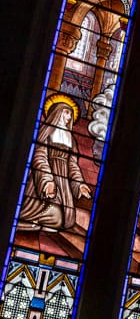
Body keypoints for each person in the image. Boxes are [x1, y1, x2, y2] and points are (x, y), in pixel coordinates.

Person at [16, 96, 91, 233]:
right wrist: (47, 181)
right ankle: (31, 221)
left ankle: (37, 223)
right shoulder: (47, 132)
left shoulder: (71, 139)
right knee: (56, 214)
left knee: (67, 218)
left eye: (70, 114)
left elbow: (73, 164)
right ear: (57, 111)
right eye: (66, 112)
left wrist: (80, 185)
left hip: (63, 183)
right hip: (43, 181)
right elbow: (40, 157)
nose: (69, 117)